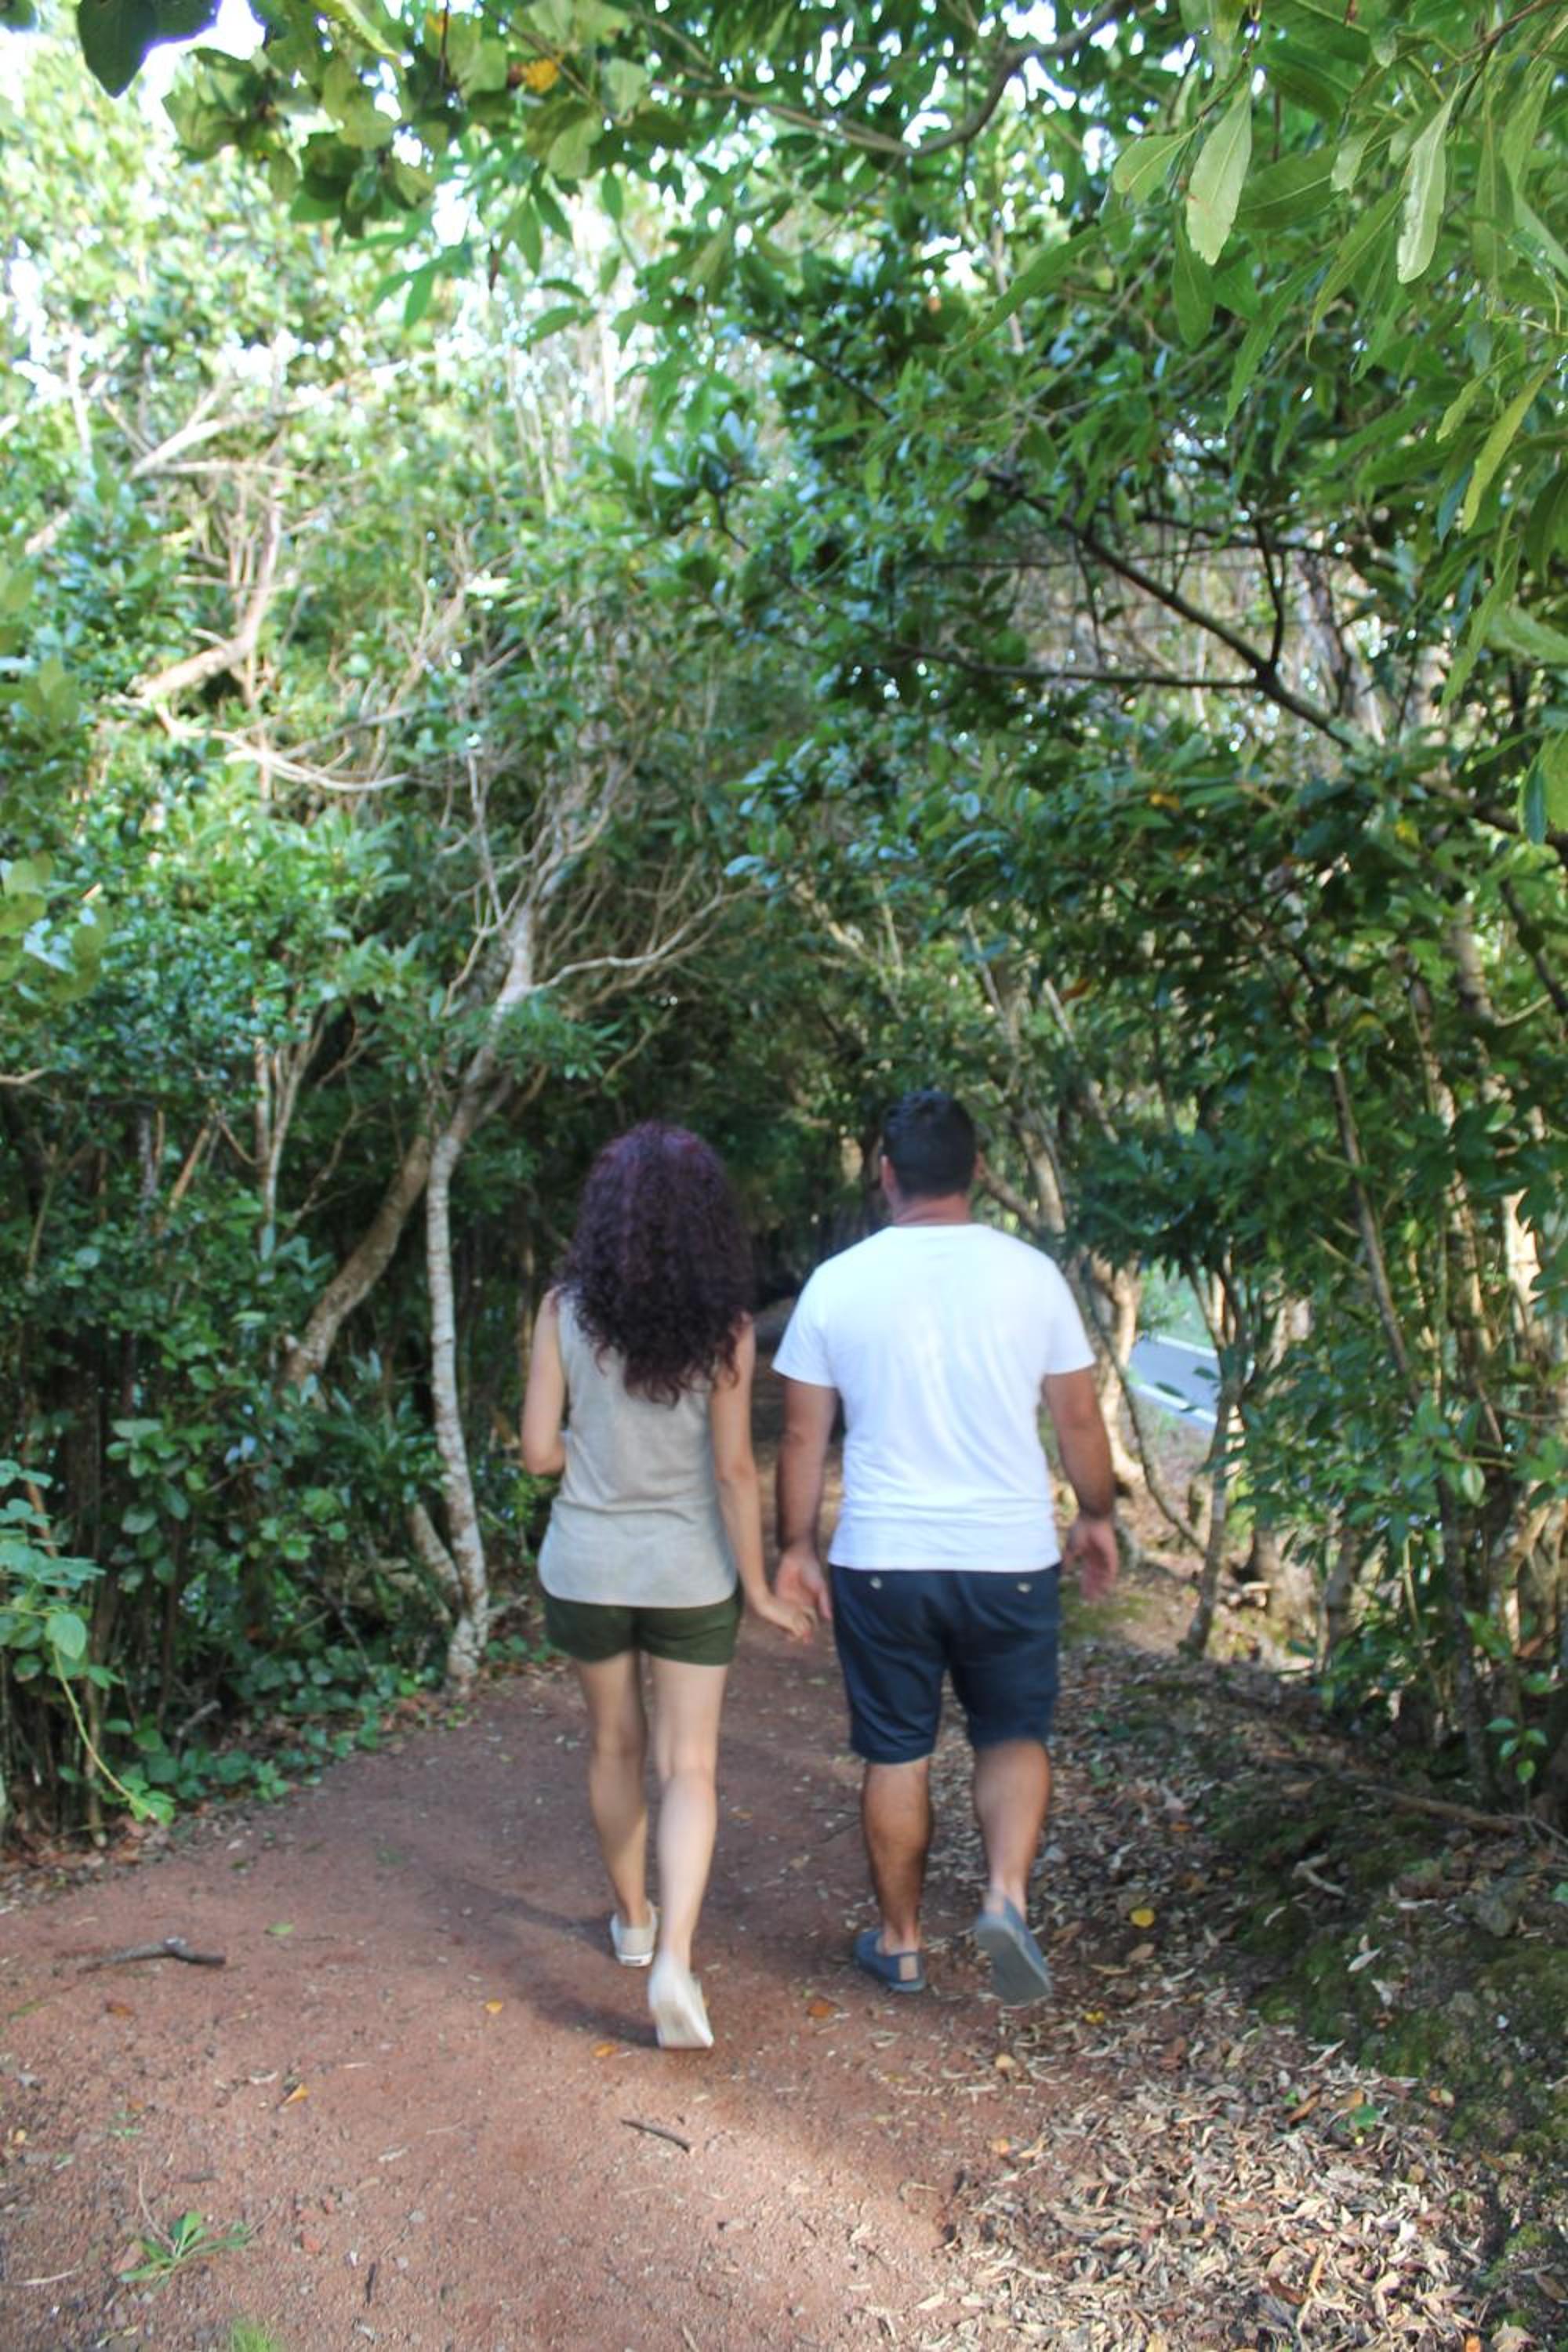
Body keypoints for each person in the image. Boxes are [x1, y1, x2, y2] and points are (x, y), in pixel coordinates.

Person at [772, 1088, 1118, 2005]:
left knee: (897, 1750)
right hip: (1008, 1557)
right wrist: (1095, 1514)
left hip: (883, 1558)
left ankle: (900, 1943)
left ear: (885, 1174)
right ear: (977, 1171)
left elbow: (803, 1436)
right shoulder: (1031, 1276)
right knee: (1011, 1732)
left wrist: (794, 1546)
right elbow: (1077, 1417)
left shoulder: (837, 1283)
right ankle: (1004, 1896)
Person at [521, 1122, 811, 2049]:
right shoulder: (725, 1330)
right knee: (688, 1766)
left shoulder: (561, 1310)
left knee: (614, 1744)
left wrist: (595, 1447)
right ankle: (677, 1962)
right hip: (688, 1571)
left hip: (587, 1565)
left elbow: (537, 1454)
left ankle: (633, 1923)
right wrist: (758, 1588)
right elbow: (732, 1471)